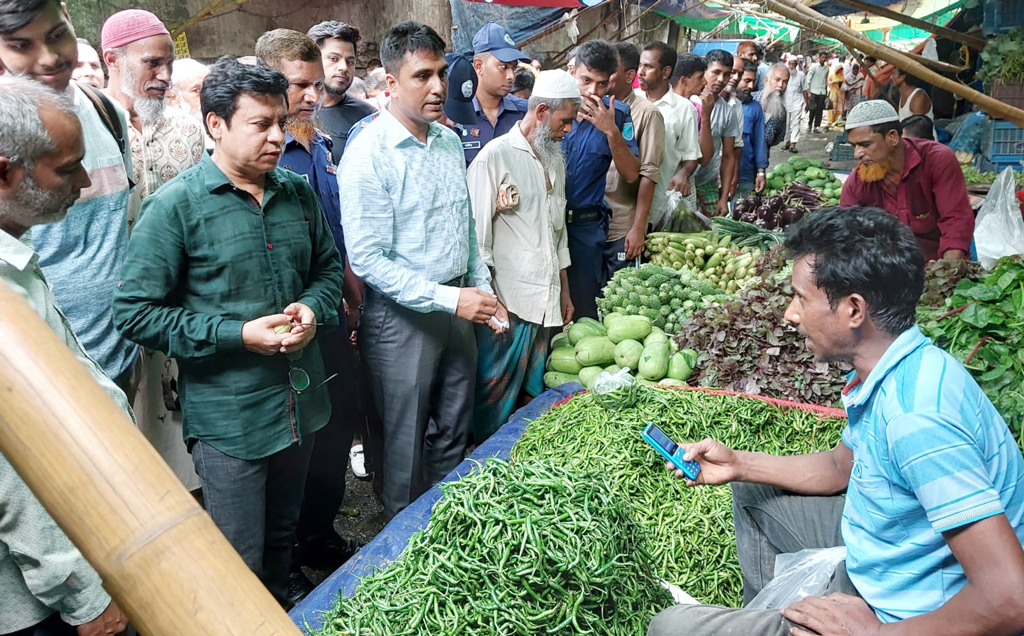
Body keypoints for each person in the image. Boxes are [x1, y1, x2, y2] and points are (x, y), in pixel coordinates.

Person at [647, 205, 1024, 636]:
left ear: (854, 310)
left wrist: (875, 634)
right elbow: (838, 468)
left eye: (801, 298)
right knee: (751, 488)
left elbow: (1010, 598)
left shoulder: (917, 418)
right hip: (891, 565)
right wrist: (737, 463)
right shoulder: (895, 367)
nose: (790, 314)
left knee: (668, 626)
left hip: (909, 618)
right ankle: (784, 614)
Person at [112, 57, 345, 606]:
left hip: (299, 404)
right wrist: (238, 335)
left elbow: (327, 270)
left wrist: (311, 309)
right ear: (216, 124)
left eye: (280, 123)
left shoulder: (296, 194)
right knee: (235, 559)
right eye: (260, 124)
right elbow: (135, 312)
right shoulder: (176, 208)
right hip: (230, 419)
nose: (277, 137)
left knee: (281, 541)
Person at [339, 22, 502, 520]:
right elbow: (367, 258)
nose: (437, 88)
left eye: (440, 73)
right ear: (391, 82)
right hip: (401, 318)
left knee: (454, 426)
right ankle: (401, 545)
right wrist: (453, 300)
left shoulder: (449, 144)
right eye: (421, 76)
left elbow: (466, 227)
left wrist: (482, 289)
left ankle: (445, 525)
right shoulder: (369, 153)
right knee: (403, 441)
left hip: (459, 306)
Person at [0, 75, 131, 636]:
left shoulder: (16, 248)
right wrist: (80, 595)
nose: (83, 182)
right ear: (4, 172)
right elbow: (9, 473)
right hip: (31, 600)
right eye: (66, 167)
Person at [254, 27, 367, 604]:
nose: (308, 94)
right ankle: (288, 553)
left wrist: (350, 293)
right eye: (298, 85)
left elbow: (334, 231)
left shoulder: (317, 140)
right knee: (292, 443)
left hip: (327, 307)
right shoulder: (267, 156)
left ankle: (320, 534)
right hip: (285, 322)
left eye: (313, 84)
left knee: (334, 428)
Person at [0, 0, 137, 397]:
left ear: (67, 15)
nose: (49, 58)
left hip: (118, 359)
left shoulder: (108, 113)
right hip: (40, 385)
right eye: (21, 45)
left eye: (57, 35)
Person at [466, 70, 579, 442]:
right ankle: (480, 466)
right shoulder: (493, 159)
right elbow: (476, 243)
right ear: (542, 111)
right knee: (491, 398)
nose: (569, 129)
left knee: (534, 398)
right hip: (507, 306)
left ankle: (517, 461)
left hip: (545, 301)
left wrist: (564, 293)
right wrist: (490, 302)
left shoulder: (555, 160)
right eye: (565, 120)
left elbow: (558, 234)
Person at [100, 10, 205, 228]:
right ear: (113, 60)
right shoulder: (88, 128)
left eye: (169, 63)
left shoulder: (189, 129)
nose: (166, 76)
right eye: (152, 63)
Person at [561, 39, 640, 319]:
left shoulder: (618, 115)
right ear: (572, 72)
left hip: (585, 231)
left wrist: (611, 133)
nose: (593, 91)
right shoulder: (550, 108)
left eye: (602, 84)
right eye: (586, 80)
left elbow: (632, 174)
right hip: (547, 226)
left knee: (584, 311)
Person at [839, 100, 972, 261]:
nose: (857, 154)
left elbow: (956, 220)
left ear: (893, 137)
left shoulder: (937, 160)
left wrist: (947, 273)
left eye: (865, 144)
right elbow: (845, 232)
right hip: (886, 270)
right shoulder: (858, 181)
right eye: (854, 146)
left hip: (935, 265)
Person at [604, 42, 663, 275]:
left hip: (622, 225)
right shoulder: (593, 108)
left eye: (610, 69)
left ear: (629, 75)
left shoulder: (647, 113)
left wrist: (638, 227)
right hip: (593, 226)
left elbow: (649, 173)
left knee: (619, 299)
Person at [306, 21, 376, 163]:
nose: (343, 67)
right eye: (334, 59)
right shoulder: (289, 113)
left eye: (350, 61)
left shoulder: (368, 119)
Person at [463, 22, 531, 165]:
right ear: (478, 66)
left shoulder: (525, 113)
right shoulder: (456, 118)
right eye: (503, 66)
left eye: (513, 68)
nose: (511, 76)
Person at [691, 49, 739, 218]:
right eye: (716, 72)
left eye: (726, 74)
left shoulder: (728, 112)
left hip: (708, 182)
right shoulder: (687, 101)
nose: (721, 79)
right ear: (704, 71)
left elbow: (728, 156)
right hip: (681, 181)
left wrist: (723, 197)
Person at [735, 61, 766, 201]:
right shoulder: (721, 104)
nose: (751, 86)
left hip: (745, 174)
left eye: (753, 82)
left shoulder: (755, 108)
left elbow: (759, 142)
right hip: (717, 174)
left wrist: (761, 173)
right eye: (747, 81)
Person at [757, 63, 789, 151]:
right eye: (777, 80)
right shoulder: (752, 100)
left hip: (763, 159)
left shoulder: (781, 112)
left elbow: (777, 139)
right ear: (766, 81)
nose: (780, 85)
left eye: (785, 82)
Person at [781, 55, 806, 153]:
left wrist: (806, 103)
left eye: (793, 64)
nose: (791, 65)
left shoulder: (801, 75)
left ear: (796, 64)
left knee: (796, 124)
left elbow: (804, 89)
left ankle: (793, 144)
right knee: (786, 124)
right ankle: (787, 142)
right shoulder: (784, 74)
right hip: (785, 103)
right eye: (789, 63)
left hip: (797, 103)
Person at [806, 51, 829, 133]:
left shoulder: (826, 69)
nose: (824, 59)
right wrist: (808, 92)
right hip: (813, 91)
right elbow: (808, 80)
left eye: (825, 57)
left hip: (822, 92)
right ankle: (809, 124)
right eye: (822, 57)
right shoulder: (814, 67)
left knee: (820, 110)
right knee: (812, 109)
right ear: (819, 57)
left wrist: (826, 92)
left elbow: (825, 80)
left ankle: (817, 126)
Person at [827, 60, 846, 126]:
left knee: (839, 107)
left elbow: (844, 82)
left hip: (840, 93)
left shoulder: (842, 75)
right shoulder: (832, 75)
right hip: (833, 92)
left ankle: (835, 120)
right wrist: (835, 82)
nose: (840, 71)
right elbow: (829, 83)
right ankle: (830, 120)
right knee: (832, 106)